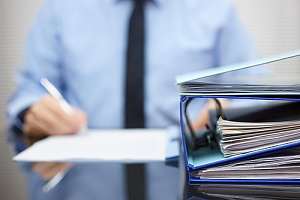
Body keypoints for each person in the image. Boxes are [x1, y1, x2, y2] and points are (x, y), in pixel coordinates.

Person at [6, 0, 256, 199]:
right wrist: (33, 110)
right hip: (75, 175)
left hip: (190, 165)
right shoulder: (60, 7)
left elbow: (255, 89)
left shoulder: (216, 7)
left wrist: (227, 109)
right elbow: (31, 88)